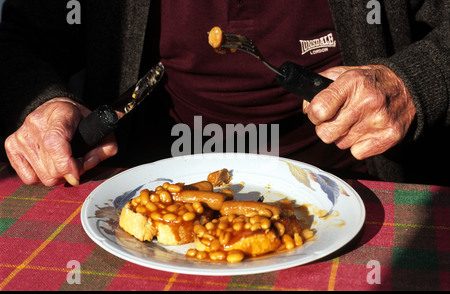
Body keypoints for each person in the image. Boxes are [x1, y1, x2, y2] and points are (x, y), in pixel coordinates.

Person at [0, 0, 449, 187]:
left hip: (354, 190)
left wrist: (413, 83)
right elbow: (17, 39)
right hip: (147, 191)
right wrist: (42, 104)